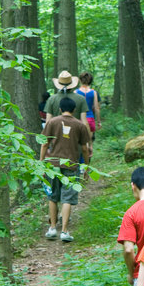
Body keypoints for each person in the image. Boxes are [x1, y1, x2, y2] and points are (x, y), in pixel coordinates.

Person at [40, 97, 90, 242]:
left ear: (60, 109)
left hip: (53, 164)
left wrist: (41, 163)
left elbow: (44, 144)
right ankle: (64, 231)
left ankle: (52, 229)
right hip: (71, 165)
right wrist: (86, 167)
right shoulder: (80, 125)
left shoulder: (51, 122)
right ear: (74, 110)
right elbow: (85, 149)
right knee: (67, 198)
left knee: (53, 196)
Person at [76, 71, 102, 141]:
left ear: (80, 80)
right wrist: (99, 122)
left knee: (80, 142)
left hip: (79, 119)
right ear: (90, 81)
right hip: (90, 118)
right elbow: (97, 108)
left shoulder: (75, 92)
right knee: (89, 142)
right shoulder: (94, 92)